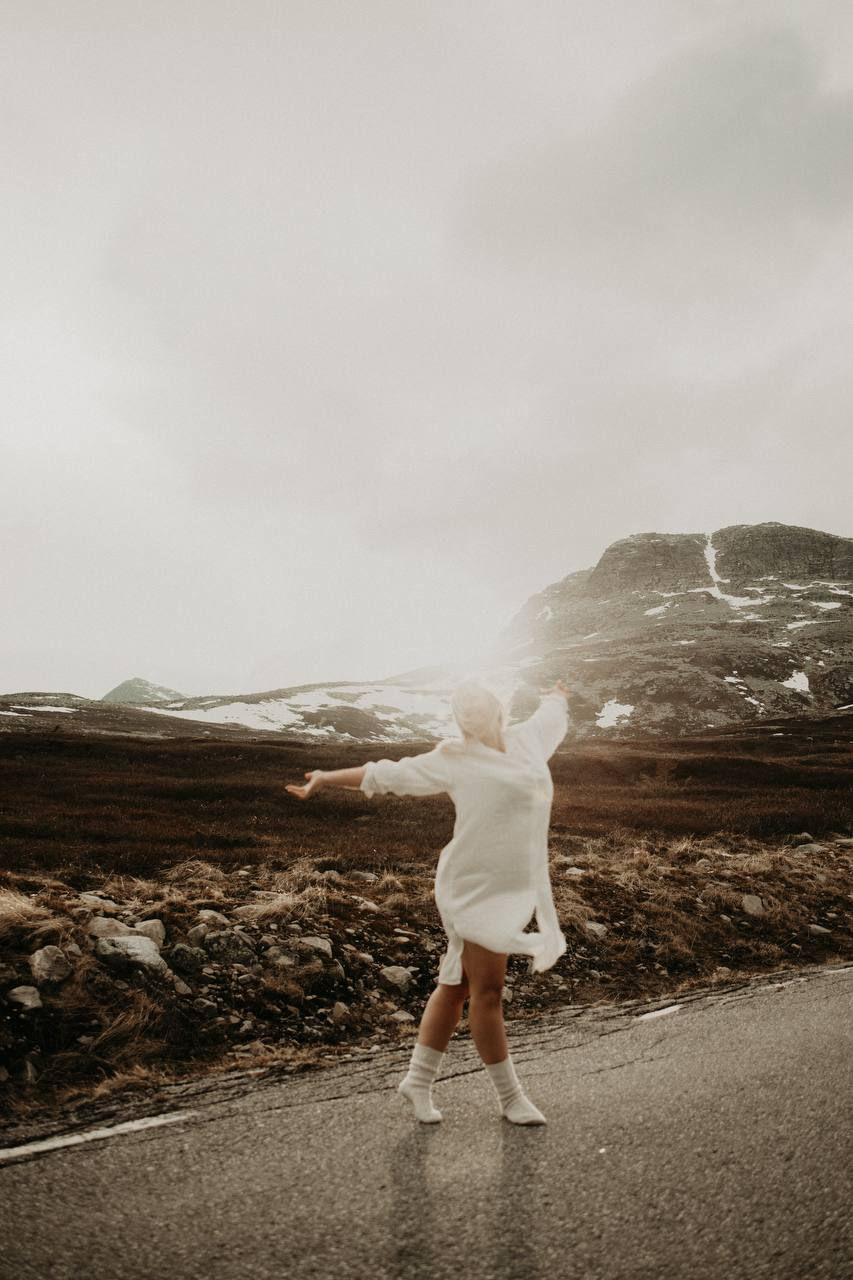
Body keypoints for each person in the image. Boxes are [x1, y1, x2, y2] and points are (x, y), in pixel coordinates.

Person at [286, 676, 571, 1126]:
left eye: (476, 703)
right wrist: (326, 778)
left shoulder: (528, 741)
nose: (468, 712)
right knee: (488, 991)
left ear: (496, 705)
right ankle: (510, 1097)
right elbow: (390, 773)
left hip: (514, 887)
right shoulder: (453, 758)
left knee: (457, 985)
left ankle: (417, 1082)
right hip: (472, 887)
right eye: (460, 707)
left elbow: (551, 718)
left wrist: (558, 696)